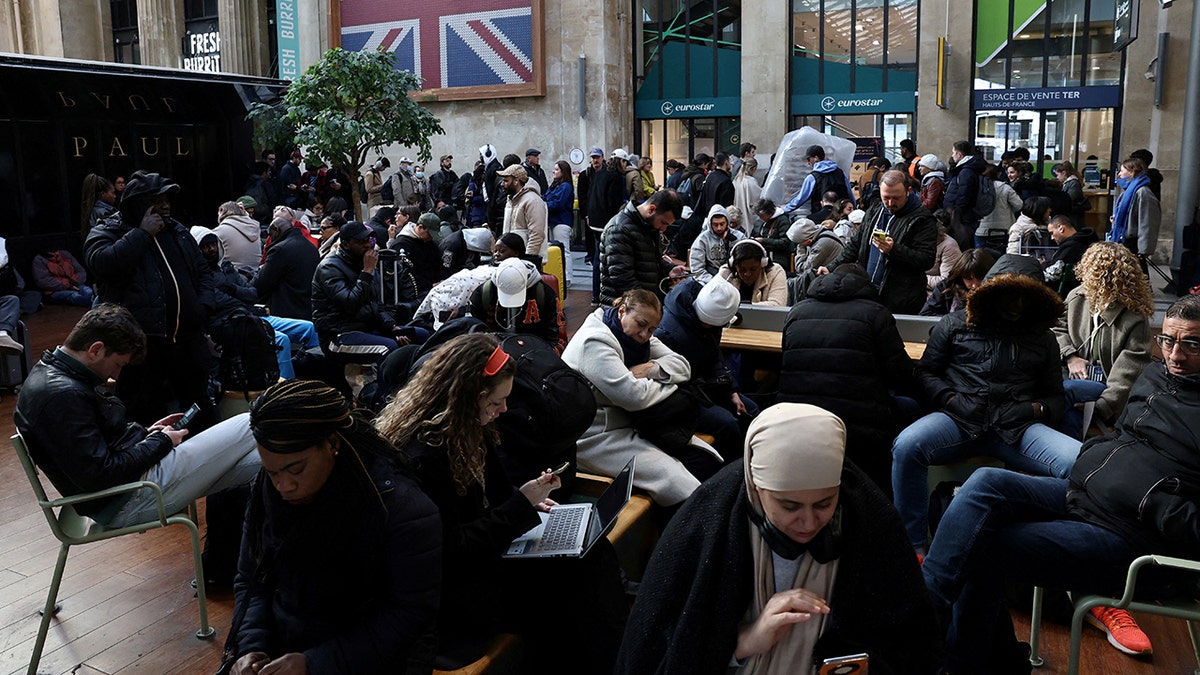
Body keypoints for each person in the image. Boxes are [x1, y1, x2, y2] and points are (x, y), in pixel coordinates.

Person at [922, 295, 1200, 670]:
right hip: (1088, 496)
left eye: (1191, 344)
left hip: (1136, 539)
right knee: (985, 483)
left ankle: (959, 658)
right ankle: (925, 611)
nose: (1175, 355)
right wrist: (1095, 457)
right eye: (1167, 340)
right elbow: (1124, 437)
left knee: (983, 544)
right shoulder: (1154, 375)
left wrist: (1155, 503)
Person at [616, 403, 941, 674]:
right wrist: (746, 642)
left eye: (825, 504)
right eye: (789, 506)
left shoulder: (870, 520)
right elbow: (661, 653)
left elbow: (908, 641)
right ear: (755, 488)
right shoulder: (707, 522)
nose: (809, 522)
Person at [374, 333, 626, 675]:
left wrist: (527, 497)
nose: (503, 410)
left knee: (589, 557)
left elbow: (492, 493)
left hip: (483, 556)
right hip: (455, 591)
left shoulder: (468, 427)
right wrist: (520, 506)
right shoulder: (424, 455)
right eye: (496, 402)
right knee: (574, 583)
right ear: (470, 398)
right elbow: (454, 549)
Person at [226, 380, 441, 675]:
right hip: (288, 652)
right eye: (272, 471)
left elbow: (408, 614)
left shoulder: (400, 509)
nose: (284, 486)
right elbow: (252, 580)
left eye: (296, 469)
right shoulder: (267, 492)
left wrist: (315, 663)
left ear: (333, 444)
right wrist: (251, 645)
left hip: (367, 661)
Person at [14, 304, 259, 533]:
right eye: (118, 364)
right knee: (250, 422)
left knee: (262, 459)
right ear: (95, 349)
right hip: (128, 499)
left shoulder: (50, 375)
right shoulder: (62, 396)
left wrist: (145, 433)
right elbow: (100, 474)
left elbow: (93, 451)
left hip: (127, 491)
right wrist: (160, 442)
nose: (117, 374)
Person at [893, 254, 1079, 555]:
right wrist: (950, 399)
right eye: (1010, 296)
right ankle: (912, 548)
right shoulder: (954, 324)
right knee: (907, 445)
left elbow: (1055, 396)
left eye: (1024, 297)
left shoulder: (1042, 338)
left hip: (1016, 428)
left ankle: (1037, 546)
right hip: (961, 420)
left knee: (1078, 463)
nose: (1016, 305)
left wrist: (1033, 410)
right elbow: (926, 372)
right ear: (993, 292)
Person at [562, 289, 723, 506]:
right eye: (641, 324)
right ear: (621, 311)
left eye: (652, 329)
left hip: (634, 423)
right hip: (595, 437)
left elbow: (684, 367)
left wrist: (650, 369)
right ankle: (676, 535)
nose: (645, 334)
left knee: (706, 459)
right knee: (677, 482)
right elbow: (633, 397)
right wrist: (670, 387)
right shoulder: (594, 341)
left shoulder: (635, 336)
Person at [84, 170, 217, 429]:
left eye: (168, 198)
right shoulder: (110, 229)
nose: (166, 205)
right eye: (158, 199)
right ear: (138, 203)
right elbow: (101, 262)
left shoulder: (177, 230)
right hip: (143, 345)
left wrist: (203, 307)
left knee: (198, 407)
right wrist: (142, 234)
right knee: (143, 410)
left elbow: (203, 271)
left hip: (187, 338)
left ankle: (205, 460)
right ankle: (150, 462)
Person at [778, 265, 917, 494]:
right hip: (861, 430)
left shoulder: (796, 312)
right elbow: (901, 374)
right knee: (911, 407)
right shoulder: (876, 314)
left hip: (799, 419)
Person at [1052, 241, 1153, 439]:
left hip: (1106, 388)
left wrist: (1104, 405)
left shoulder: (1134, 316)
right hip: (1071, 376)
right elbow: (1056, 328)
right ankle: (1068, 458)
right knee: (1070, 412)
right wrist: (1071, 357)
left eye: (1095, 274)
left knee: (1066, 393)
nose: (1087, 279)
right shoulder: (1077, 297)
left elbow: (1128, 373)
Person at [655, 277, 760, 461]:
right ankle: (732, 468)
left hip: (702, 385)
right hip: (680, 396)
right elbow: (672, 381)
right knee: (727, 424)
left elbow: (714, 356)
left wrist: (731, 390)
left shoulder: (706, 319)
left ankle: (752, 460)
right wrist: (719, 390)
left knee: (750, 410)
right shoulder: (669, 333)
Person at [821, 169, 938, 315]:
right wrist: (832, 267)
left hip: (901, 299)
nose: (890, 203)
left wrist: (894, 250)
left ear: (908, 191)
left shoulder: (922, 219)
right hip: (867, 291)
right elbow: (856, 245)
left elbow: (927, 259)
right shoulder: (875, 210)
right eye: (886, 197)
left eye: (896, 198)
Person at [312, 221, 402, 359]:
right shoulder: (329, 267)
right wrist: (366, 272)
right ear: (346, 244)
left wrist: (391, 326)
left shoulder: (363, 262)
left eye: (368, 240)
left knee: (419, 336)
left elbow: (375, 304)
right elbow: (349, 303)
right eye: (361, 242)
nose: (367, 245)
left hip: (365, 328)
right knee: (389, 348)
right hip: (337, 334)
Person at [598, 189, 684, 305]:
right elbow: (623, 279)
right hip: (627, 309)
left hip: (641, 305)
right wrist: (650, 305)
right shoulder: (619, 229)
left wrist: (669, 269)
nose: (664, 229)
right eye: (663, 222)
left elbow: (649, 260)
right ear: (651, 209)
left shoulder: (648, 226)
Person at [469, 257, 566, 354]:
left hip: (534, 356)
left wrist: (545, 359)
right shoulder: (483, 294)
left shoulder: (543, 294)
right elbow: (473, 336)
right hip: (494, 355)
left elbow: (557, 337)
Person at [253, 215, 320, 321]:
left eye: (271, 235)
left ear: (276, 230)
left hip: (286, 311)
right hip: (307, 309)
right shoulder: (310, 246)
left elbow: (261, 284)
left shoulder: (280, 249)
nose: (270, 239)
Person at [1108, 157, 1161, 260]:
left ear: (1131, 172)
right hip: (1124, 242)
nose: (1119, 174)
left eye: (1122, 171)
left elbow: (1147, 222)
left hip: (1133, 245)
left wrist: (1144, 249)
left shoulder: (1142, 192)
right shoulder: (1127, 192)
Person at [780, 145, 854, 218]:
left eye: (808, 159)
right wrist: (854, 208)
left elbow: (801, 198)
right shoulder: (840, 173)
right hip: (841, 216)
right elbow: (849, 193)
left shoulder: (812, 177)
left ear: (816, 158)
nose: (808, 163)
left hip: (821, 218)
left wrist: (785, 209)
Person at [920, 247, 995, 316]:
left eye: (979, 279)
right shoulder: (946, 287)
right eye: (969, 279)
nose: (974, 285)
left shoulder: (997, 291)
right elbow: (926, 314)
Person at [497, 164, 549, 262]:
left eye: (506, 180)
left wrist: (528, 260)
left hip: (527, 262)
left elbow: (537, 234)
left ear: (516, 181)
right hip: (513, 261)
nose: (502, 184)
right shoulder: (511, 200)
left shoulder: (533, 200)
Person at [716, 239, 787, 306]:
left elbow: (777, 305)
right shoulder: (726, 272)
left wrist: (733, 307)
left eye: (753, 269)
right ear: (734, 266)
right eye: (742, 270)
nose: (747, 274)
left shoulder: (775, 272)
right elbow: (712, 302)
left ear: (763, 264)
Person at [943, 141, 990, 241]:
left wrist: (957, 212)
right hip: (965, 214)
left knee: (963, 241)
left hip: (963, 216)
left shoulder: (966, 171)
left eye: (953, 152)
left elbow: (964, 194)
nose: (952, 155)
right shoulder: (967, 168)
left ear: (959, 154)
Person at [1042, 214, 1098, 296]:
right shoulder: (1088, 243)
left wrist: (1041, 265)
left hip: (1064, 293)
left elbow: (1053, 274)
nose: (1052, 238)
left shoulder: (1071, 248)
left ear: (1061, 228)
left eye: (1052, 233)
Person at [689, 204, 744, 283]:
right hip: (710, 280)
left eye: (722, 224)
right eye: (715, 224)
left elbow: (746, 255)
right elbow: (697, 269)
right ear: (710, 224)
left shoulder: (739, 236)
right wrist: (714, 282)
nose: (719, 228)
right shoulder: (702, 240)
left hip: (735, 278)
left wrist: (734, 241)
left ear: (727, 222)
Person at [975, 164, 1023, 250]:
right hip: (1004, 230)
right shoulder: (1005, 188)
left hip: (982, 231)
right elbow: (1019, 205)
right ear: (998, 174)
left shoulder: (977, 188)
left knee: (981, 258)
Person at [214, 200, 263, 271]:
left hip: (235, 276)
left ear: (222, 212)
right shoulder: (254, 227)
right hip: (256, 273)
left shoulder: (220, 231)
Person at [750, 198, 794, 270]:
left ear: (770, 213)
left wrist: (764, 241)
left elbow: (784, 242)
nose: (760, 217)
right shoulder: (759, 221)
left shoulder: (782, 220)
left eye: (762, 215)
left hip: (778, 257)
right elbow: (754, 234)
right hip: (760, 255)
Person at [543, 159, 575, 239]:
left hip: (561, 222)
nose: (554, 171)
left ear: (563, 172)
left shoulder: (565, 186)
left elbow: (558, 204)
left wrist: (543, 205)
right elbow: (545, 196)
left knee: (563, 249)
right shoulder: (554, 186)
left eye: (557, 169)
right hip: (552, 222)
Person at [1053, 161, 1089, 228]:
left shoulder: (1073, 183)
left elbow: (1070, 198)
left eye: (1057, 175)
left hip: (1074, 215)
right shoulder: (1069, 183)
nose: (1057, 177)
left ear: (1064, 173)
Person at [733, 157, 762, 231]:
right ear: (753, 169)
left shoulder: (736, 180)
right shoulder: (751, 182)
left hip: (738, 213)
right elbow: (758, 199)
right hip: (748, 217)